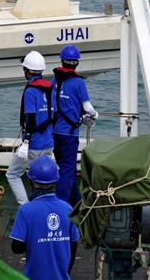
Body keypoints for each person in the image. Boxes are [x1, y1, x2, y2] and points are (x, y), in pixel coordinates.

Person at [10, 157, 80, 280]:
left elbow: (16, 248)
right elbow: (73, 245)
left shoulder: (25, 211)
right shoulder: (67, 209)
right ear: (56, 181)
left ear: (30, 181)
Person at [6, 51, 56, 205]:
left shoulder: (30, 91)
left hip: (34, 144)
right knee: (43, 178)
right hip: (49, 142)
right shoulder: (50, 88)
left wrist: (26, 142)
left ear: (27, 71)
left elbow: (31, 119)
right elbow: (53, 115)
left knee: (13, 174)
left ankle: (26, 207)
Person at [52, 44, 98, 205]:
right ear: (77, 62)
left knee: (65, 166)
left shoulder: (55, 78)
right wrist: (94, 115)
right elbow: (87, 107)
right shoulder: (78, 82)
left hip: (55, 132)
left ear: (62, 61)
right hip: (69, 134)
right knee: (67, 169)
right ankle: (60, 204)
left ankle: (76, 199)